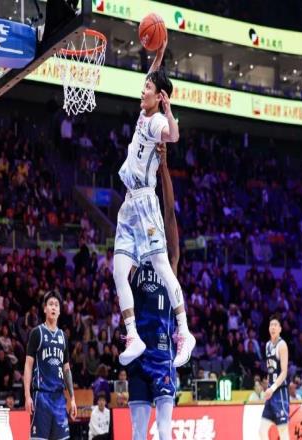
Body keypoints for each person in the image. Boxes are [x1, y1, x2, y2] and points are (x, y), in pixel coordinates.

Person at [113, 35, 195, 368]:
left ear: (158, 97)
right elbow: (153, 77)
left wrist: (170, 111)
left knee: (162, 266)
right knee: (118, 270)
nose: (142, 89)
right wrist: (159, 54)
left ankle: (184, 331)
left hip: (146, 202)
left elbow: (173, 135)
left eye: (148, 87)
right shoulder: (143, 114)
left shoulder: (158, 120)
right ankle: (132, 334)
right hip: (128, 204)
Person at [127, 144, 178, 440]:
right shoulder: (133, 261)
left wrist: (164, 168)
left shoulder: (170, 260)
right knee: (137, 434)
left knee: (164, 430)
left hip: (162, 356)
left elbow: (169, 213)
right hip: (138, 359)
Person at [24, 291, 77, 440]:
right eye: (50, 304)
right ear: (45, 309)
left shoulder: (63, 337)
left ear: (59, 311)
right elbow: (28, 366)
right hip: (41, 397)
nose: (53, 307)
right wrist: (27, 396)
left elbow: (66, 369)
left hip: (59, 398)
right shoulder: (37, 333)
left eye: (56, 305)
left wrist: (72, 398)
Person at [259, 315, 289, 440]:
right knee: (262, 431)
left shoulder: (282, 345)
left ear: (280, 329)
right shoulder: (267, 345)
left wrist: (272, 388)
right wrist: (267, 387)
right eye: (271, 325)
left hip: (280, 392)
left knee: (283, 432)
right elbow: (270, 370)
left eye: (275, 325)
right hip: (271, 393)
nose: (273, 327)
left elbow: (284, 372)